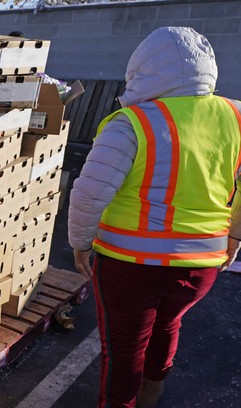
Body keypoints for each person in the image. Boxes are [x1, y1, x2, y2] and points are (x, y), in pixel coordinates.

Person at [68, 27, 241, 408]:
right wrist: (235, 238)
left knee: (125, 345)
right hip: (201, 267)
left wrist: (80, 244)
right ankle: (154, 388)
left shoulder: (131, 122)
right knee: (168, 323)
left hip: (130, 265)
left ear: (142, 70)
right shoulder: (236, 115)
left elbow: (90, 192)